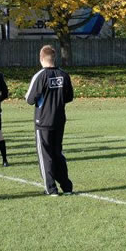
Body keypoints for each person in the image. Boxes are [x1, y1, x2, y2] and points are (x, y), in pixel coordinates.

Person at [26, 45, 74, 196]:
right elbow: (69, 97)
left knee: (45, 154)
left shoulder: (40, 76)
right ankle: (66, 186)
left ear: (41, 58)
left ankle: (51, 188)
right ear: (54, 58)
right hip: (59, 120)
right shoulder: (64, 75)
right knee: (57, 153)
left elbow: (30, 99)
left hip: (43, 121)